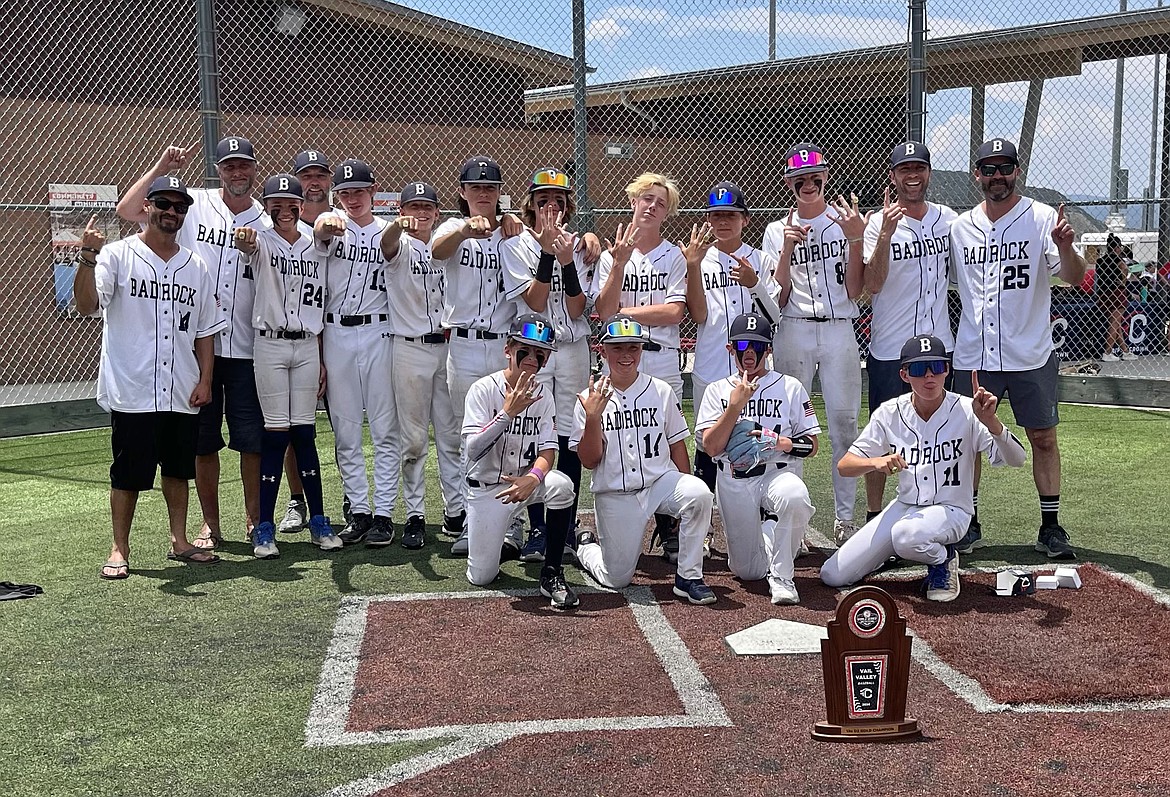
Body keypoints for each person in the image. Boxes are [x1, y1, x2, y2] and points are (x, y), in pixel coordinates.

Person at [116, 137, 267, 553]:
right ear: (218, 169)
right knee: (203, 442)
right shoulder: (192, 202)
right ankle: (210, 524)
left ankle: (255, 520)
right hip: (195, 348)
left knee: (250, 440)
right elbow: (128, 210)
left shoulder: (267, 217)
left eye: (244, 165)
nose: (237, 172)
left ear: (255, 169)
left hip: (248, 345)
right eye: (229, 165)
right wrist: (161, 162)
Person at [75, 176, 224, 578]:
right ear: (147, 207)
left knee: (178, 470)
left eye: (179, 206)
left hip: (180, 385)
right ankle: (119, 548)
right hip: (133, 386)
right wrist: (89, 255)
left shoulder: (196, 264)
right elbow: (87, 304)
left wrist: (206, 379)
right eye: (163, 203)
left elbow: (206, 330)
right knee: (127, 474)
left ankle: (179, 541)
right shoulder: (117, 255)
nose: (171, 212)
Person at [949, 138, 1087, 560]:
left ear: (1016, 171)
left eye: (1004, 168)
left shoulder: (1043, 217)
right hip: (975, 353)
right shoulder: (960, 226)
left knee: (1043, 437)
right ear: (977, 175)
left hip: (1030, 352)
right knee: (969, 439)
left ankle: (1050, 526)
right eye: (988, 169)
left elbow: (1075, 275)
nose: (997, 177)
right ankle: (967, 522)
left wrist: (1065, 246)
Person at [820, 335, 1027, 601]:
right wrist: (876, 462)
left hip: (952, 510)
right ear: (905, 375)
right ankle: (895, 551)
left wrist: (992, 422)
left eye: (937, 367)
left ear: (947, 370)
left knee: (905, 536)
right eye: (919, 369)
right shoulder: (890, 412)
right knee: (833, 575)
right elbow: (845, 466)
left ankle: (944, 558)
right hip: (906, 507)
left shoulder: (967, 410)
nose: (929, 376)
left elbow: (1017, 459)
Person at [763, 142, 868, 546]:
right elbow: (778, 296)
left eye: (815, 178)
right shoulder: (777, 230)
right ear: (789, 183)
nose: (809, 184)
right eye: (800, 179)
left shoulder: (844, 221)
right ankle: (794, 518)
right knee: (791, 425)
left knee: (844, 424)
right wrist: (787, 248)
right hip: (794, 326)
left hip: (840, 325)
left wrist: (856, 239)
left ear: (826, 178)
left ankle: (844, 519)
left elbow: (857, 289)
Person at [570, 314, 716, 605]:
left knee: (699, 492)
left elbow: (677, 445)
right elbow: (589, 461)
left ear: (641, 350)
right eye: (618, 348)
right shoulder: (589, 398)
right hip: (615, 493)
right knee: (617, 579)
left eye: (633, 348)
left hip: (659, 483)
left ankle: (688, 576)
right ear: (602, 350)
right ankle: (585, 547)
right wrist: (592, 418)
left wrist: (682, 497)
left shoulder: (660, 390)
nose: (626, 355)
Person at [233, 174, 342, 558]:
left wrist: (326, 220)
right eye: (275, 204)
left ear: (301, 206)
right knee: (276, 434)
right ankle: (264, 526)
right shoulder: (260, 238)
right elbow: (245, 243)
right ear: (266, 206)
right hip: (271, 344)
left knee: (305, 434)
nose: (283, 210)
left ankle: (319, 520)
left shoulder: (317, 239)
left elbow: (328, 228)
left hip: (308, 344)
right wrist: (245, 239)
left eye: (290, 203)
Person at [501, 167, 598, 562]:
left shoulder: (581, 245)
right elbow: (536, 302)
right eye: (543, 201)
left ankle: (566, 523)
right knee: (535, 433)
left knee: (570, 437)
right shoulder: (514, 244)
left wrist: (568, 259)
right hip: (535, 350)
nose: (551, 208)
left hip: (573, 347)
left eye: (558, 201)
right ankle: (538, 527)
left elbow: (577, 308)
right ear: (530, 206)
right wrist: (547, 253)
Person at [594, 173, 689, 563]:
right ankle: (617, 515)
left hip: (661, 357)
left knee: (664, 439)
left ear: (668, 212)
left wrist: (625, 315)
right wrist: (617, 265)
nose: (652, 206)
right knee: (617, 439)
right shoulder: (610, 253)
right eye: (646, 198)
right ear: (632, 201)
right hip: (619, 358)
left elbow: (674, 312)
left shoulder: (674, 256)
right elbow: (601, 310)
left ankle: (669, 527)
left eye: (661, 202)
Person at [861, 142, 957, 524]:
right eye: (904, 169)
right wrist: (885, 233)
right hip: (890, 347)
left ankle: (943, 513)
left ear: (929, 173)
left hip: (939, 345)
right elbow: (872, 283)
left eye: (918, 168)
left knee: (945, 435)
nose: (912, 176)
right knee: (881, 435)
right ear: (893, 175)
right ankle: (872, 516)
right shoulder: (876, 222)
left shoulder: (949, 220)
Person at [432, 156, 523, 553]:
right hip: (465, 344)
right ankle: (470, 520)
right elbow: (437, 250)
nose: (483, 193)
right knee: (467, 435)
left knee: (513, 432)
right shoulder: (454, 227)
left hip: (505, 344)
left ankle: (511, 524)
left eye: (491, 187)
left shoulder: (513, 232)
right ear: (464, 193)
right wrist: (467, 230)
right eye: (476, 187)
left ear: (499, 193)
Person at [695, 313, 818, 605]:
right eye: (742, 346)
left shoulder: (790, 387)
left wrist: (782, 442)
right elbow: (711, 448)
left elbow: (812, 445)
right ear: (730, 349)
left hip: (778, 470)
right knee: (747, 571)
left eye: (757, 346)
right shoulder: (716, 391)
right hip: (735, 476)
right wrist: (734, 407)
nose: (749, 353)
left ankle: (783, 578)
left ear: (769, 350)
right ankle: (775, 534)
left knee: (795, 497)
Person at [463, 314, 579, 609]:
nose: (532, 358)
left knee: (562, 485)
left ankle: (551, 572)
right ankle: (502, 537)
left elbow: (548, 450)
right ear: (508, 349)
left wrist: (534, 478)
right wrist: (506, 414)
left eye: (540, 353)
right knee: (482, 577)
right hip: (488, 489)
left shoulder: (545, 395)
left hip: (527, 484)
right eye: (524, 350)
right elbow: (472, 451)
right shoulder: (483, 389)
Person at [314, 158, 402, 547]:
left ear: (373, 191)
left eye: (359, 191)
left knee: (384, 427)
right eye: (345, 192)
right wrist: (324, 223)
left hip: (378, 330)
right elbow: (319, 229)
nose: (352, 198)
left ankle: (383, 513)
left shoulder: (387, 231)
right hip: (336, 331)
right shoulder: (333, 227)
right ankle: (359, 510)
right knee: (346, 429)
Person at [682, 181, 781, 496]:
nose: (723, 221)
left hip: (753, 368)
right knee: (708, 444)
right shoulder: (699, 259)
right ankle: (707, 521)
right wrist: (693, 267)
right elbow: (698, 316)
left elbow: (775, 316)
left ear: (745, 219)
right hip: (710, 364)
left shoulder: (761, 260)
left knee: (753, 440)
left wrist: (754, 284)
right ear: (708, 219)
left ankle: (760, 508)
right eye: (716, 215)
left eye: (731, 215)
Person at [380, 181, 463, 550]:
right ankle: (415, 515)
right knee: (413, 440)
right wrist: (399, 225)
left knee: (450, 436)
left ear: (437, 212)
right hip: (409, 348)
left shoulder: (449, 245)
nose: (421, 212)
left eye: (427, 206)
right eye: (412, 206)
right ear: (401, 210)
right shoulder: (400, 245)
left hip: (446, 347)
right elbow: (386, 245)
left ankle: (455, 512)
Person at [277, 148, 338, 534]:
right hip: (298, 337)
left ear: (330, 181)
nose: (314, 182)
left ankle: (358, 505)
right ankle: (298, 500)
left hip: (346, 334)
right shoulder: (284, 231)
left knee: (346, 427)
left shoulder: (347, 221)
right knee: (291, 427)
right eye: (306, 176)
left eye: (320, 175)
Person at [1095, 234, 1136, 362]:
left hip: (1103, 293)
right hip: (1117, 292)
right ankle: (1107, 351)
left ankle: (1125, 351)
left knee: (1115, 323)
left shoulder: (1100, 260)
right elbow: (1124, 268)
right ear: (1117, 247)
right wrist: (1123, 282)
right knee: (1115, 322)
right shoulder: (1118, 259)